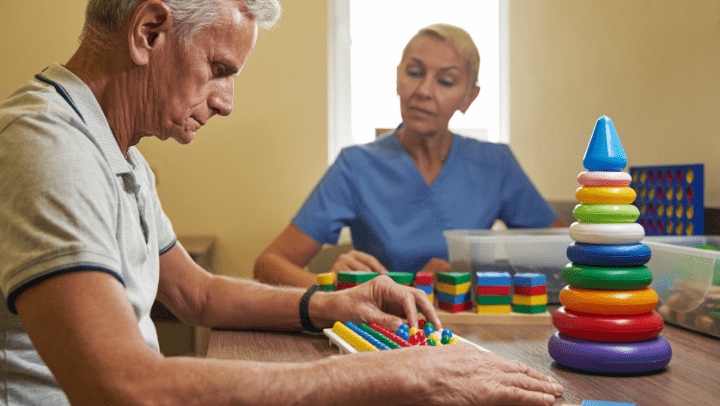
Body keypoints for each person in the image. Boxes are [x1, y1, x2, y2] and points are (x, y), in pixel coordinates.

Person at [0, 1, 563, 405]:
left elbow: (195, 292)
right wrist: (403, 375)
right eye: (219, 70)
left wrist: (330, 304)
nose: (225, 102)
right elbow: (123, 387)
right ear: (148, 31)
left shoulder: (119, 156)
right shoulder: (47, 145)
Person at [255, 24, 565, 288]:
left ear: (469, 97)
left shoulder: (495, 164)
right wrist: (341, 289)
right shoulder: (355, 166)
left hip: (469, 333)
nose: (424, 91)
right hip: (384, 330)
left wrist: (473, 276)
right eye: (414, 73)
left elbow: (564, 256)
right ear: (398, 78)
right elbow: (268, 264)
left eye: (445, 81)